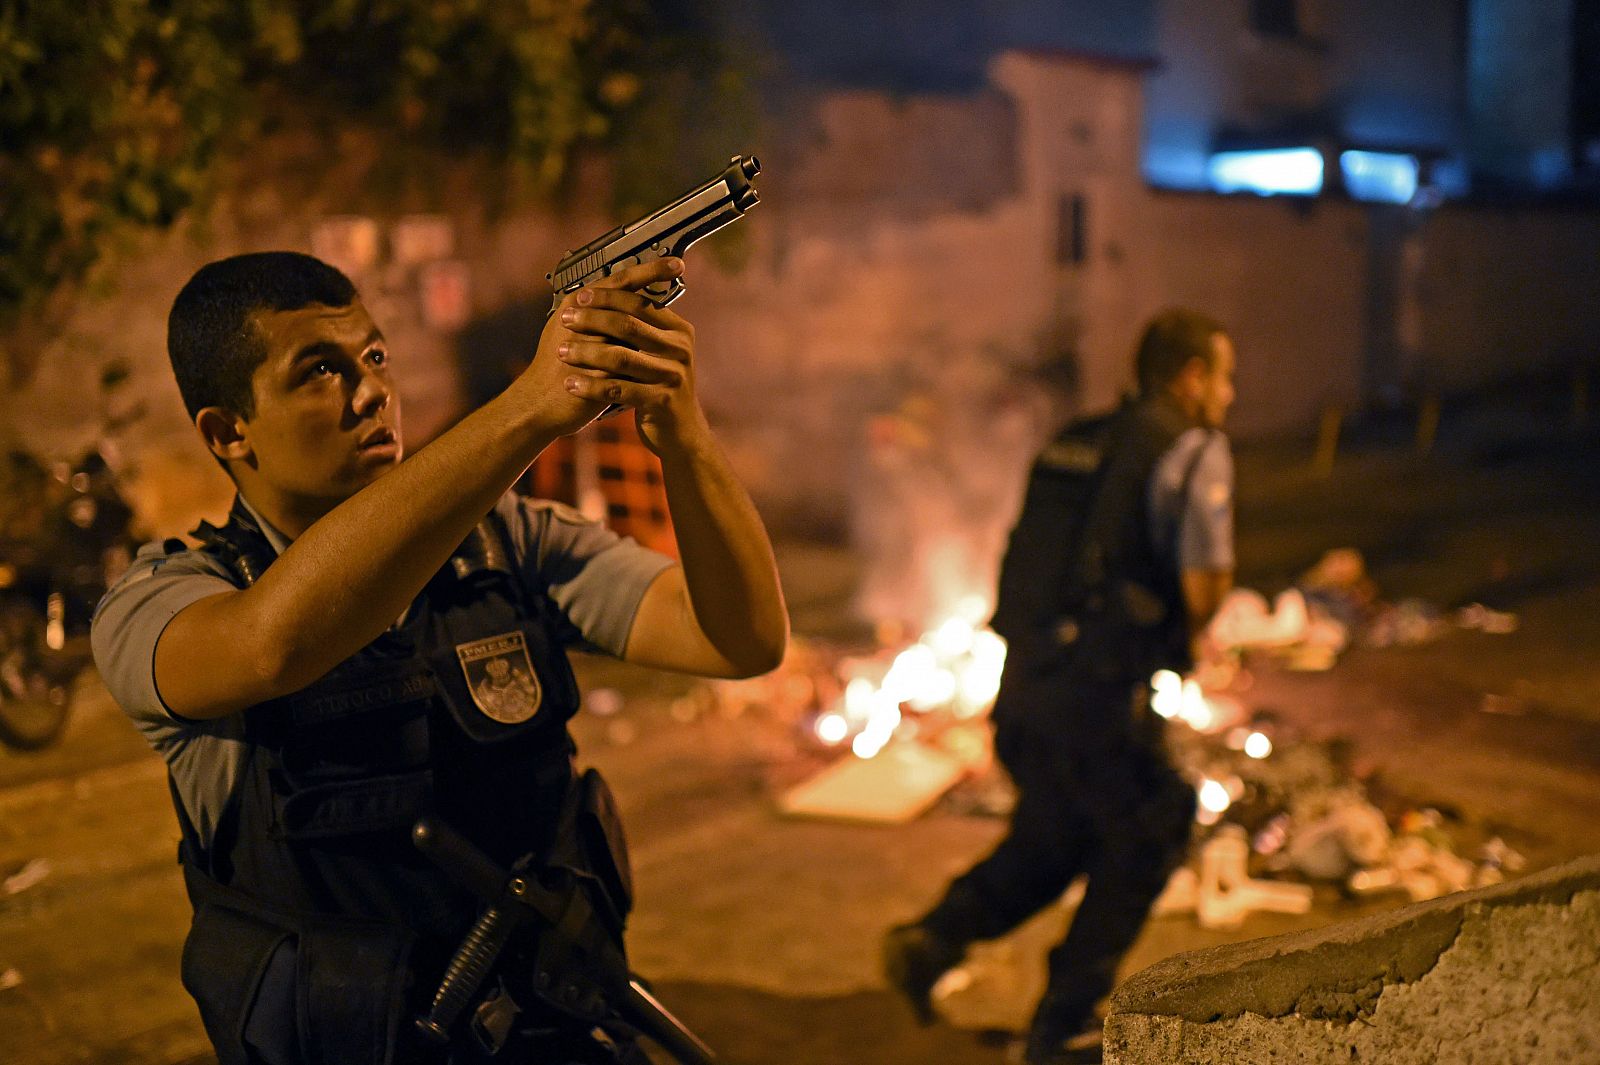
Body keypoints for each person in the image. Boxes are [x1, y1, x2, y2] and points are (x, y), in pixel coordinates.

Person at [91, 250, 788, 1065]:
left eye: (375, 357)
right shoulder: (163, 599)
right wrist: (527, 410)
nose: (371, 394)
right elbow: (270, 646)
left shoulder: (505, 542)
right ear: (228, 430)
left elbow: (740, 638)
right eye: (319, 371)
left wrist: (685, 439)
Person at [882, 309, 1237, 1063]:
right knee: (1153, 824)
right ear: (1191, 376)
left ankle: (933, 937)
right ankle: (1066, 1020)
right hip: (1099, 693)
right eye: (1224, 376)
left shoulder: (1077, 441)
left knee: (1060, 833)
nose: (1229, 396)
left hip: (1025, 687)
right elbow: (1204, 586)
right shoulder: (1191, 448)